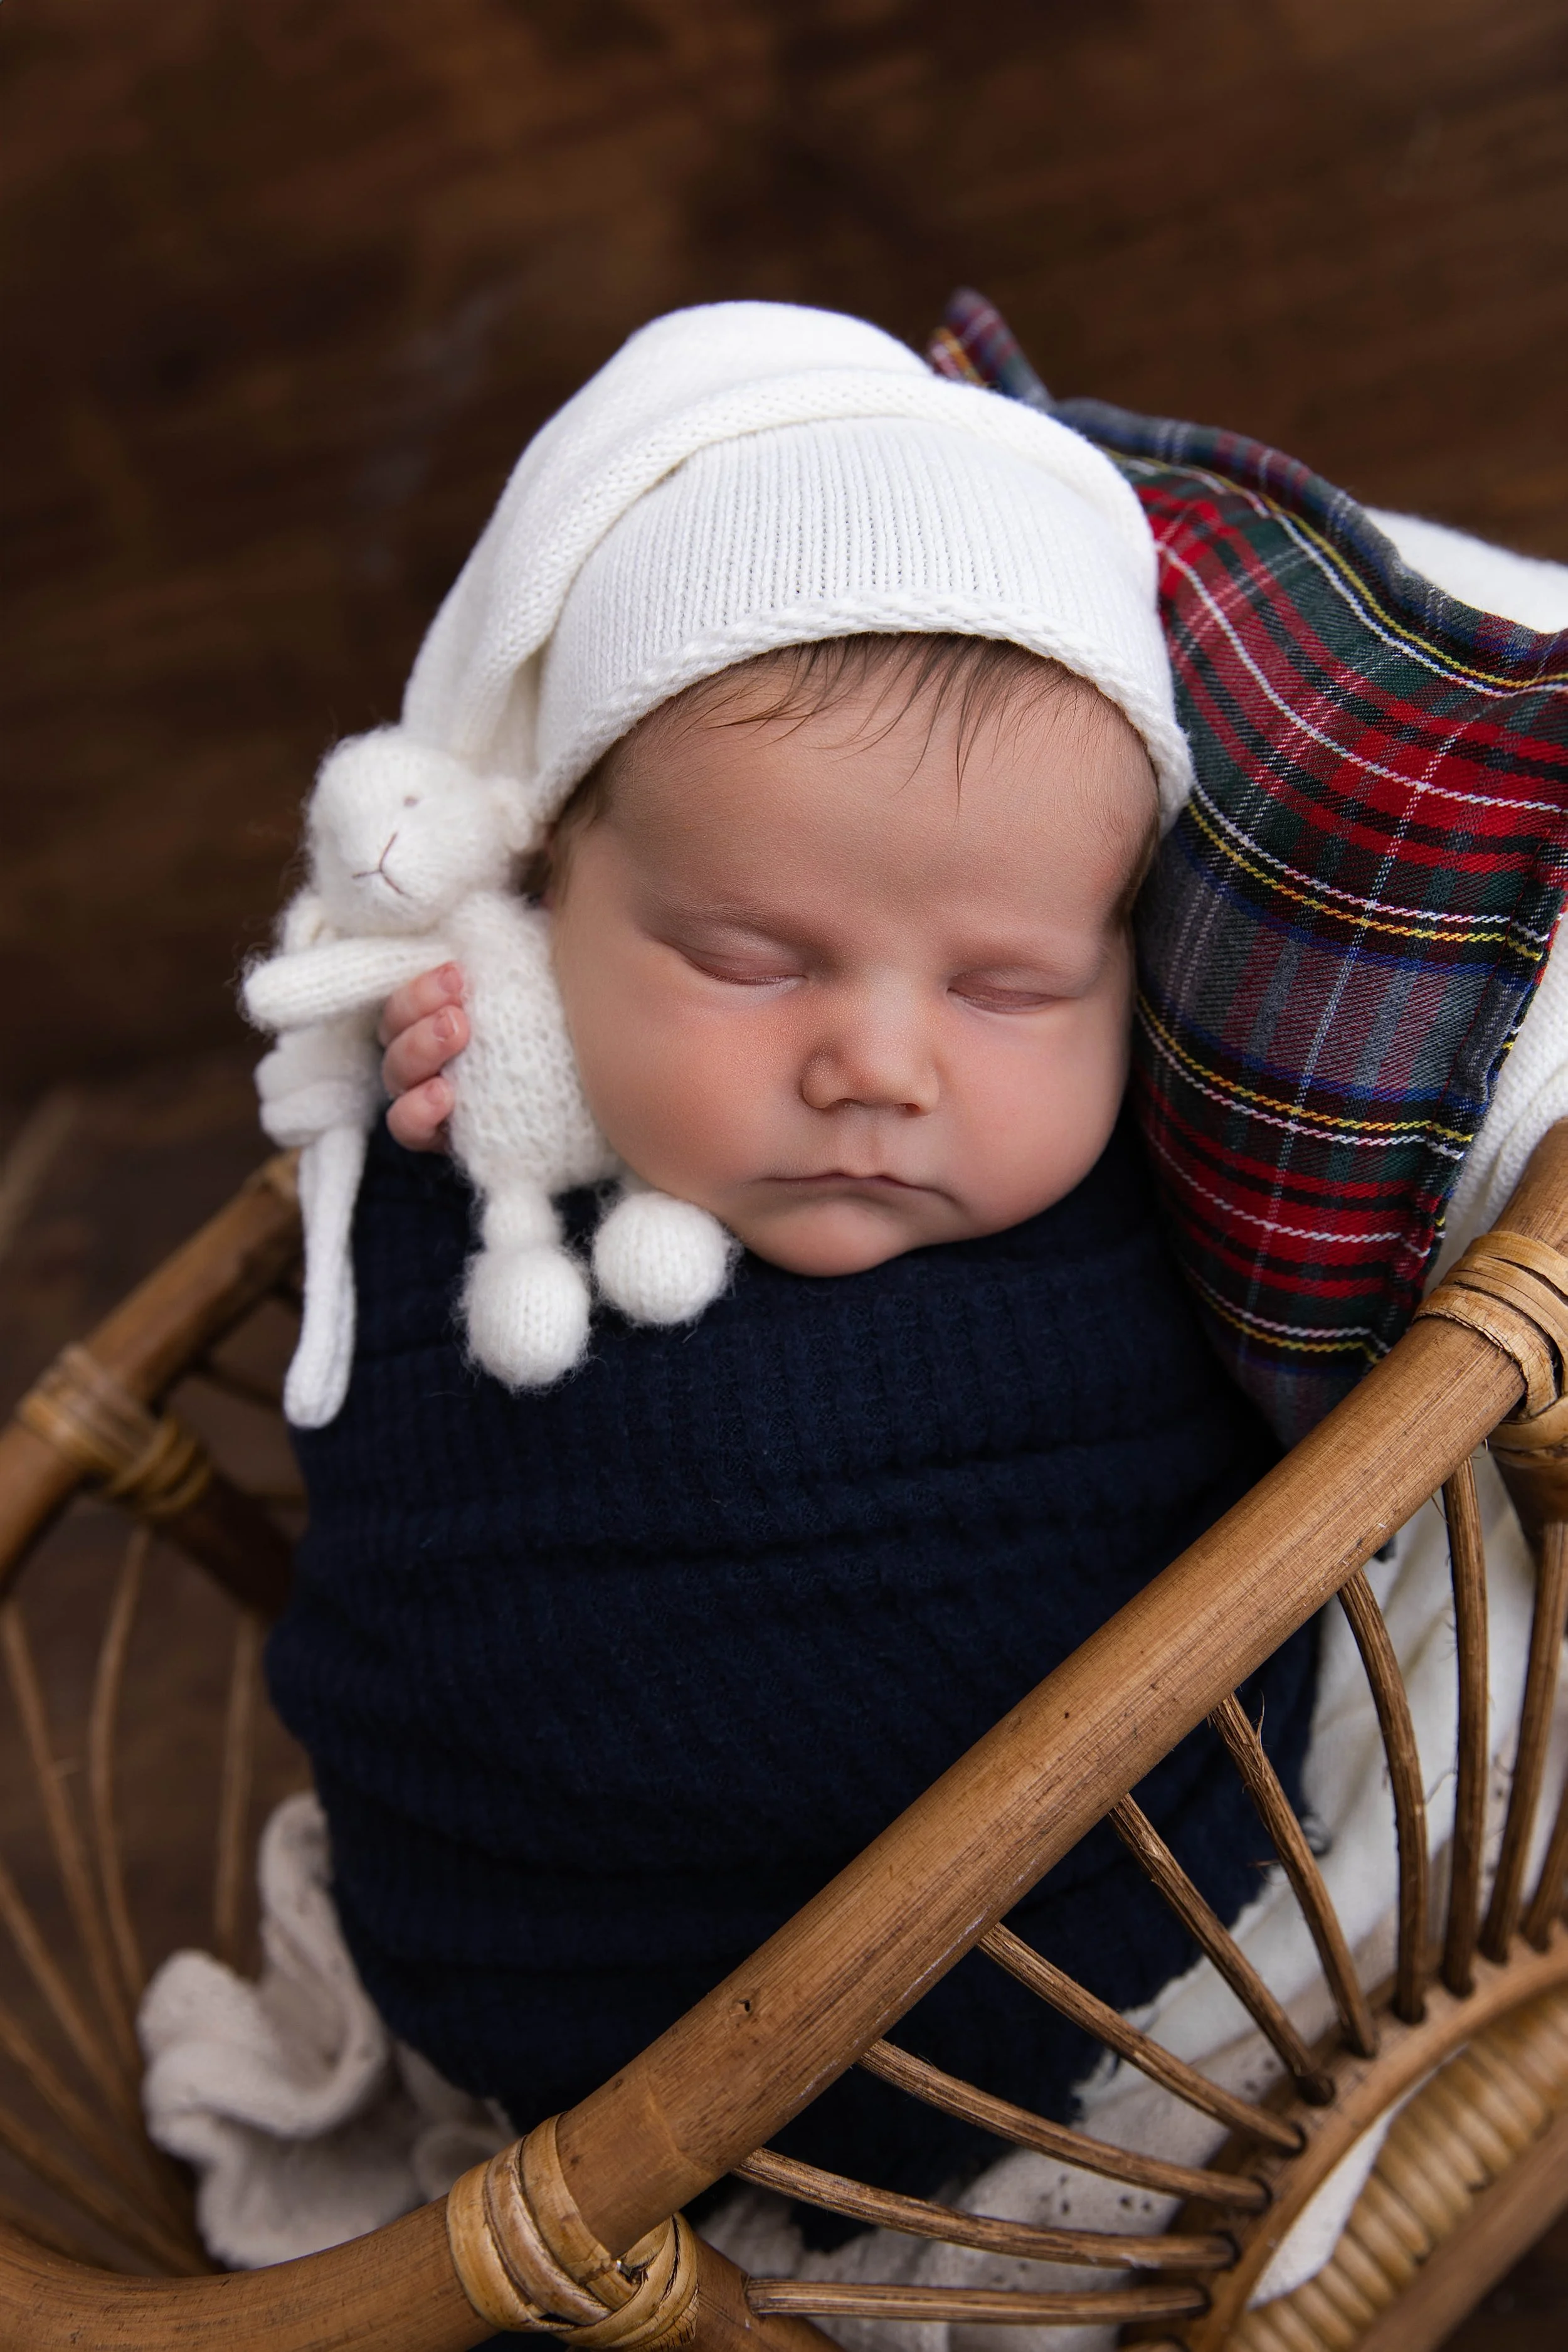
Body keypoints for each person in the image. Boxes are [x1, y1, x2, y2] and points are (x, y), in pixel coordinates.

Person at [260, 301, 1316, 2232]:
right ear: (537, 898)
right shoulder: (471, 1109)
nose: (878, 1065)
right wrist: (464, 1056)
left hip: (1099, 1963)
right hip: (544, 1979)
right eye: (750, 958)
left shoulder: (1162, 1194)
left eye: (1008, 987)